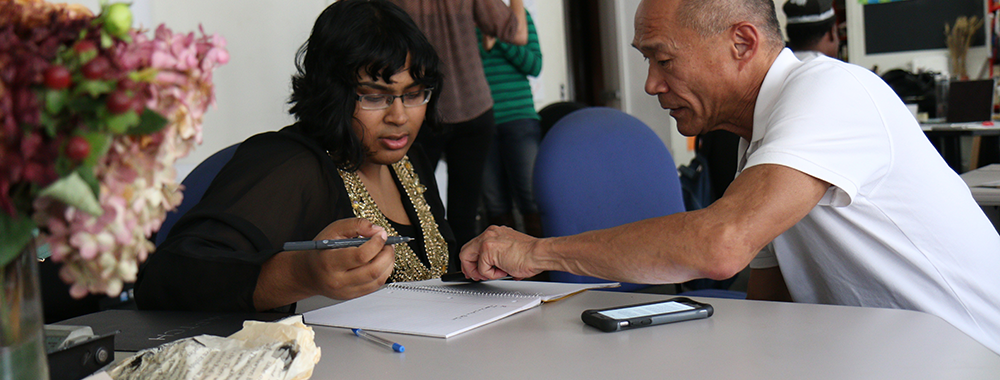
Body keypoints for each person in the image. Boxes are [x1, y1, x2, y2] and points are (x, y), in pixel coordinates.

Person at [459, 0, 1000, 354]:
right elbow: (770, 303)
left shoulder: (830, 93)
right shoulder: (760, 141)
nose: (650, 84)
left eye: (663, 60)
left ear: (742, 42)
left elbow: (721, 245)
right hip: (895, 354)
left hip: (971, 354)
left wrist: (538, 253)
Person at [134, 0, 455, 312]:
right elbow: (167, 276)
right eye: (374, 97)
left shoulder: (407, 160)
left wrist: (478, 263)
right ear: (333, 93)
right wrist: (299, 274)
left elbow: (436, 276)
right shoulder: (292, 166)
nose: (399, 116)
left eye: (413, 95)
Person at [389, 0, 527, 247]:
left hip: (418, 107)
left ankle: (419, 281)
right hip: (473, 104)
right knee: (464, 219)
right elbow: (516, 34)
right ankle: (462, 279)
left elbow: (352, 23)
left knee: (412, 212)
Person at [478, 10, 543, 237]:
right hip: (481, 123)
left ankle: (541, 267)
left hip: (520, 119)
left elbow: (534, 65)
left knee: (533, 198)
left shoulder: (518, 17)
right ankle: (503, 267)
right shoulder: (464, 20)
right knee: (494, 204)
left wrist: (501, 39)